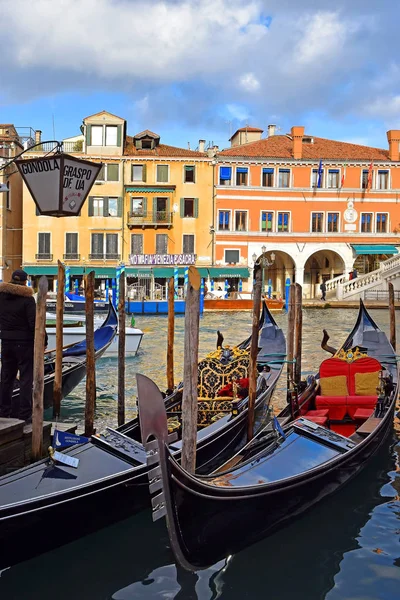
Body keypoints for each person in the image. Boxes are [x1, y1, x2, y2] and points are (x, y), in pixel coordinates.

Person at [0, 270, 39, 423]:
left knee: (6, 378)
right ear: (24, 282)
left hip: (6, 342)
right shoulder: (28, 300)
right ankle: (24, 415)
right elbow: (34, 324)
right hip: (24, 344)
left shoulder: (1, 297)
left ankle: (3, 412)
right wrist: (43, 341)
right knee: (25, 379)